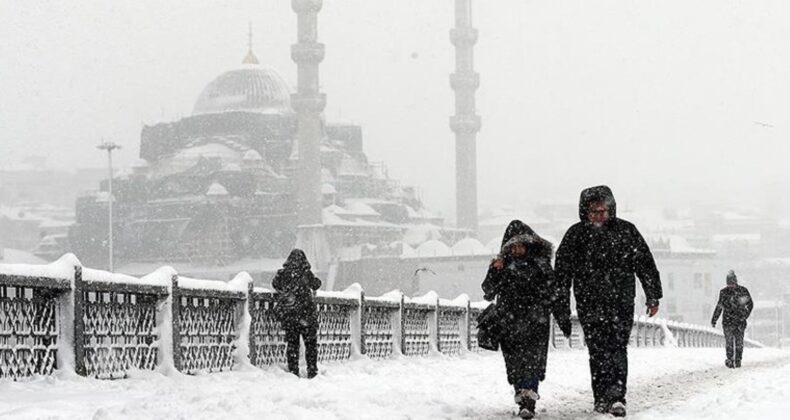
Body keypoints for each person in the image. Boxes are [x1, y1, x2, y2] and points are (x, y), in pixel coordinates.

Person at [555, 186, 662, 417]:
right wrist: (561, 306)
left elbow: (645, 263)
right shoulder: (575, 236)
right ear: (586, 212)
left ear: (611, 210)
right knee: (597, 350)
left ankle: (616, 396)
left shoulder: (626, 231)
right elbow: (561, 274)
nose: (599, 216)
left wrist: (653, 295)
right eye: (594, 212)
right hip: (589, 303)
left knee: (617, 348)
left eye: (603, 211)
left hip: (620, 302)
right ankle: (601, 397)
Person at [482, 220, 572, 419]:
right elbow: (488, 292)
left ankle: (528, 400)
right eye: (513, 246)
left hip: (535, 323)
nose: (517, 249)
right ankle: (521, 395)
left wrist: (563, 318)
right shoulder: (503, 266)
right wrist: (494, 270)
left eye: (521, 245)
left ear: (530, 245)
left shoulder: (541, 266)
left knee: (532, 362)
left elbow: (554, 294)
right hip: (509, 323)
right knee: (514, 363)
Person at [272, 249, 322, 378]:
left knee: (292, 345)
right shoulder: (306, 274)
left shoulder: (283, 274)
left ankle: (293, 371)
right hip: (306, 315)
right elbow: (316, 285)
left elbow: (275, 284)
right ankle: (312, 370)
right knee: (310, 345)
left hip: (290, 316)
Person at [711, 270, 753, 368]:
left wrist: (744, 316)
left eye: (731, 283)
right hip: (734, 321)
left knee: (735, 342)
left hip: (733, 321)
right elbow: (719, 307)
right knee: (733, 342)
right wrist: (714, 319)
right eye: (729, 283)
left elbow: (719, 307)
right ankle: (732, 359)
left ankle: (736, 360)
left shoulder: (730, 292)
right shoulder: (740, 291)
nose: (731, 286)